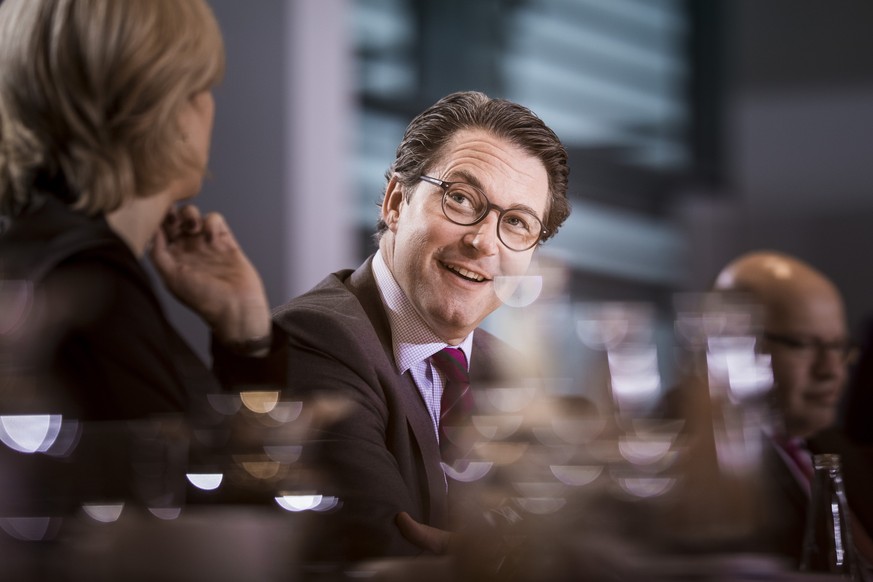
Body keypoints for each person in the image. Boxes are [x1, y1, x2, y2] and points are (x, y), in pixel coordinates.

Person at [266, 90, 570, 563]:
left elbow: (568, 536)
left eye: (517, 223)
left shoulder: (505, 370)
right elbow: (377, 542)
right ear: (395, 201)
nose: (482, 241)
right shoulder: (316, 335)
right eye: (462, 199)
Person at [0, 0, 283, 423]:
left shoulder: (41, 254)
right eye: (203, 86)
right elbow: (204, 484)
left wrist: (244, 332)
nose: (210, 107)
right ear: (161, 107)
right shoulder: (92, 292)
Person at [712, 251, 873, 569]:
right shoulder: (706, 472)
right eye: (803, 344)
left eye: (839, 347)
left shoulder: (842, 451)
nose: (832, 370)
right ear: (730, 344)